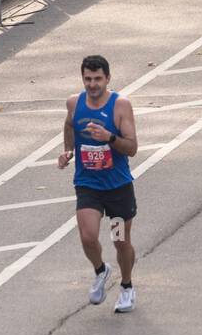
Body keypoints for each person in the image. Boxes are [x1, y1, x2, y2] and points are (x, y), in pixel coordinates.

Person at [57, 55, 140, 314]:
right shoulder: (74, 103)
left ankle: (126, 287)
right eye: (87, 79)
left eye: (97, 79)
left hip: (116, 188)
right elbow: (69, 125)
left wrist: (110, 137)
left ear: (108, 79)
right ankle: (101, 271)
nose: (92, 85)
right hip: (88, 184)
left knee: (120, 242)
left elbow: (132, 148)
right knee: (88, 237)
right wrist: (68, 151)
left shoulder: (120, 106)